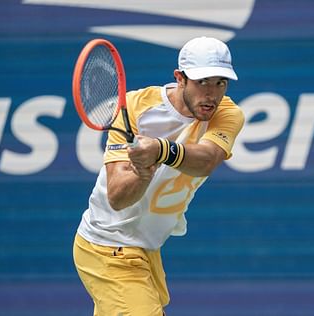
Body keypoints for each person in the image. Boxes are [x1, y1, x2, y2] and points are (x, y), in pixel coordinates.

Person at [73, 36, 244, 315]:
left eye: (220, 83)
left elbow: (207, 160)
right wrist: (143, 172)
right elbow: (116, 197)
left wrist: (160, 150)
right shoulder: (134, 109)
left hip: (147, 249)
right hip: (107, 247)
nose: (212, 94)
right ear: (180, 78)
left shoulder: (228, 114)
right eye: (203, 82)